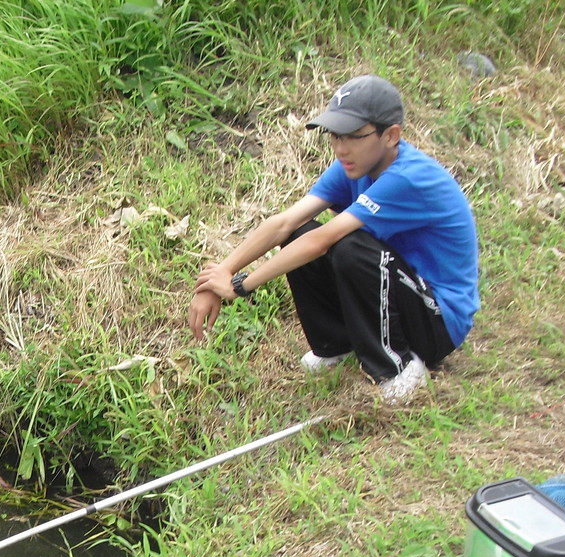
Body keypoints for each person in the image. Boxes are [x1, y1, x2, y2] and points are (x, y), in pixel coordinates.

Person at [188, 74, 479, 404]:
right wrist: (220, 275)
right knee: (302, 232)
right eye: (336, 136)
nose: (341, 149)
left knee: (349, 246)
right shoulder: (353, 165)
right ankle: (336, 346)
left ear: (391, 135)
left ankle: (397, 369)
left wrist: (241, 286)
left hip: (437, 321)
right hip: (397, 299)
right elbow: (285, 223)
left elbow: (323, 241)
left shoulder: (408, 178)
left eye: (354, 137)